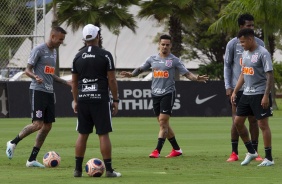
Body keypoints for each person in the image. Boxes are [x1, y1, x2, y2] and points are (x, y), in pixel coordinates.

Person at [120, 34, 208, 158]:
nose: (165, 47)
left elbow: (187, 73)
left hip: (168, 93)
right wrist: (131, 74)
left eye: (167, 45)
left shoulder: (174, 60)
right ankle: (177, 149)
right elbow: (141, 69)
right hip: (155, 94)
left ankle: (157, 151)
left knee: (162, 122)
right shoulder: (152, 59)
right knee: (163, 124)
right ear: (159, 45)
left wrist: (195, 78)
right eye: (163, 44)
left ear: (171, 46)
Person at [6, 26, 71, 167]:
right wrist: (35, 76)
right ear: (53, 36)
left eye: (63, 40)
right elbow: (27, 70)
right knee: (38, 124)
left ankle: (31, 160)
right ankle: (13, 142)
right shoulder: (39, 50)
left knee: (47, 126)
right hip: (38, 90)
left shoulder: (54, 53)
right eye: (60, 39)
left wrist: (66, 82)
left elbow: (50, 74)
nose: (61, 42)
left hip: (49, 92)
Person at [72, 24, 121, 177]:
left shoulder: (77, 56)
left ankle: (77, 170)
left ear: (84, 39)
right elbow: (112, 80)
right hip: (100, 98)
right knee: (103, 133)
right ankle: (110, 170)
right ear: (98, 36)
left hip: (83, 98)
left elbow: (74, 83)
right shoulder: (105, 55)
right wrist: (116, 99)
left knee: (82, 133)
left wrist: (75, 100)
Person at [224, 13, 264, 162]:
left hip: (254, 89)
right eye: (248, 26)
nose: (252, 28)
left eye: (253, 25)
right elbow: (227, 65)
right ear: (241, 27)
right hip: (238, 88)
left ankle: (255, 152)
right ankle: (234, 152)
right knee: (236, 120)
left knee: (254, 120)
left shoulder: (260, 43)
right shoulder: (232, 44)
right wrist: (228, 86)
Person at [231, 28, 274, 166]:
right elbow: (243, 74)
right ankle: (251, 151)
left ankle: (269, 158)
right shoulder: (245, 53)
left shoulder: (263, 53)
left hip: (260, 93)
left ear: (250, 39)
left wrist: (266, 95)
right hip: (246, 93)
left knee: (262, 124)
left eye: (243, 42)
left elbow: (270, 75)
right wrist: (235, 91)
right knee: (237, 122)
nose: (241, 45)